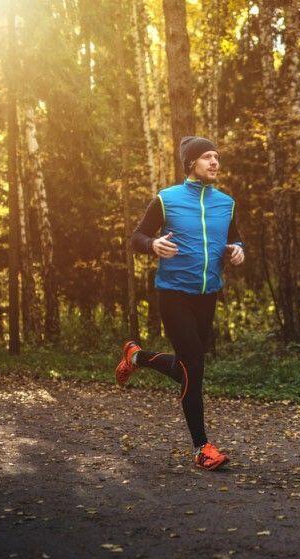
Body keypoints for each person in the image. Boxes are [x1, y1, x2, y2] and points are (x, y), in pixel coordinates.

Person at [115, 136, 245, 471]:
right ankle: (202, 447)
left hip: (208, 295)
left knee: (189, 367)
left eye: (216, 157)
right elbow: (136, 237)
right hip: (173, 293)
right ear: (190, 163)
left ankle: (137, 355)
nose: (214, 162)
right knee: (195, 364)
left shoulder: (226, 203)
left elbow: (234, 238)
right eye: (206, 157)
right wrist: (153, 244)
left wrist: (238, 249)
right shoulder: (167, 199)